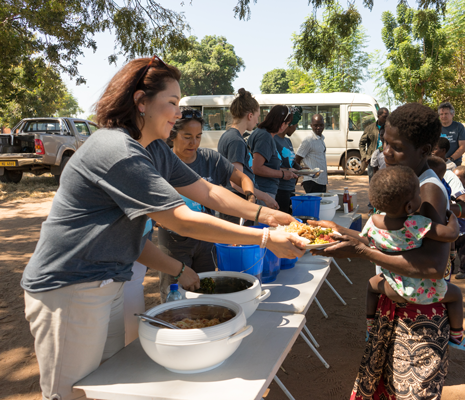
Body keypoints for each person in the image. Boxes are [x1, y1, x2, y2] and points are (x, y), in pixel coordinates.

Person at [21, 57, 305, 400]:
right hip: (69, 289)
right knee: (71, 394)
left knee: (108, 387)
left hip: (108, 283)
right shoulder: (118, 150)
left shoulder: (153, 148)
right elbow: (180, 219)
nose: (177, 113)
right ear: (141, 102)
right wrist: (264, 238)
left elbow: (209, 191)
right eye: (171, 103)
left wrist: (269, 216)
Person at [312, 103, 458, 399]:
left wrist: (361, 252)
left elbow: (432, 266)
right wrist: (337, 231)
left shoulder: (426, 193)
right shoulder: (404, 182)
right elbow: (388, 239)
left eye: (397, 147)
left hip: (419, 316)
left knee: (411, 391)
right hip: (398, 305)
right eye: (384, 143)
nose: (386, 152)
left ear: (424, 149)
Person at [157, 107, 260, 302]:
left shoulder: (210, 159)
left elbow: (243, 179)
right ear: (173, 135)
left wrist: (250, 197)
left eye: (198, 136)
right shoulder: (162, 162)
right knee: (175, 297)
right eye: (187, 136)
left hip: (206, 240)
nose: (193, 143)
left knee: (204, 292)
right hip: (174, 243)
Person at [362, 166, 465, 351]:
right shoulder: (416, 223)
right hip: (423, 289)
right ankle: (457, 335)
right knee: (455, 295)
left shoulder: (372, 221)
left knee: (371, 286)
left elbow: (364, 240)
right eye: (418, 195)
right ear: (410, 206)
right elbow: (451, 234)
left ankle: (370, 327)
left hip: (391, 287)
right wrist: (451, 217)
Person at [218, 88, 279, 224]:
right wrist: (264, 196)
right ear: (250, 116)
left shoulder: (228, 136)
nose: (257, 122)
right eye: (257, 117)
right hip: (236, 204)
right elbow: (236, 181)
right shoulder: (236, 141)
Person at [248, 105, 298, 202]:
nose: (287, 127)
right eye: (287, 124)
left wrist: (287, 170)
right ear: (282, 124)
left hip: (264, 190)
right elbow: (256, 168)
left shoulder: (264, 134)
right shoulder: (264, 136)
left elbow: (267, 165)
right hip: (263, 190)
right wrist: (282, 174)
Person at [275, 107, 304, 213]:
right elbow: (271, 165)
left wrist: (302, 169)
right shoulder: (274, 140)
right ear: (290, 124)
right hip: (280, 189)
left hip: (290, 188)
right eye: (296, 125)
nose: (295, 129)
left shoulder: (287, 141)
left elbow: (291, 163)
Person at [295, 114, 328, 193]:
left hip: (321, 181)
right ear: (311, 125)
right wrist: (300, 176)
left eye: (321, 125)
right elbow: (297, 159)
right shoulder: (308, 140)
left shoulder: (321, 139)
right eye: (316, 125)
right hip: (312, 181)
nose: (318, 128)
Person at [360, 107, 389, 180]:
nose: (387, 119)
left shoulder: (389, 128)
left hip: (385, 160)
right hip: (372, 160)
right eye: (385, 117)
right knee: (373, 182)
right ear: (378, 116)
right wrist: (364, 157)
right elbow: (362, 143)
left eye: (388, 116)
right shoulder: (369, 128)